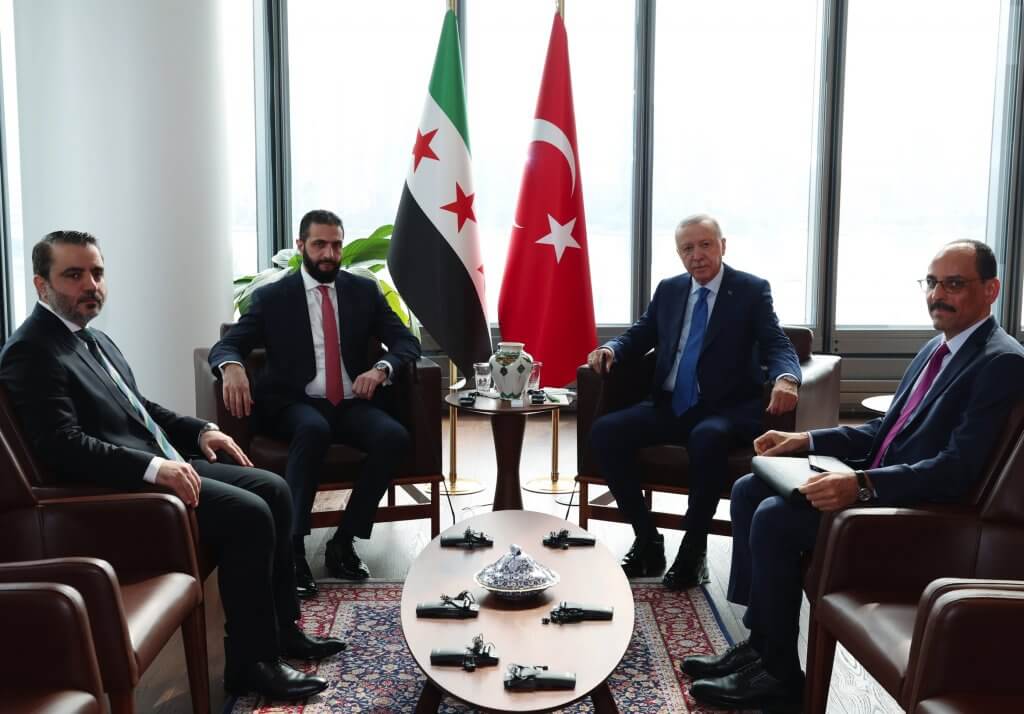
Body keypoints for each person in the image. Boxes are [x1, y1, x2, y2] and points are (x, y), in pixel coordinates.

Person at [0, 231, 346, 701]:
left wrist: (200, 431)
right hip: (116, 494)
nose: (91, 285)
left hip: (158, 465)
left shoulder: (91, 338)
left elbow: (138, 409)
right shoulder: (32, 350)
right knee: (249, 514)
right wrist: (153, 469)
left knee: (274, 489)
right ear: (42, 285)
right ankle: (252, 664)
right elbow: (63, 447)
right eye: (74, 275)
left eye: (97, 273)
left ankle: (283, 630)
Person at [685, 239, 1024, 712]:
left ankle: (780, 677)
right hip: (882, 485)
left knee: (776, 518)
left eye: (953, 284)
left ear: (991, 290)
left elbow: (957, 471)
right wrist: (806, 440)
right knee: (749, 488)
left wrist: (862, 486)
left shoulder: (1001, 362)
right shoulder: (938, 347)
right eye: (931, 282)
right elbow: (886, 431)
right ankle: (762, 644)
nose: (936, 295)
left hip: (918, 514)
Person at [209, 209, 420, 598]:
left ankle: (344, 540)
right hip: (295, 402)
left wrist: (381, 369)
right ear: (300, 246)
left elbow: (406, 342)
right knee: (313, 428)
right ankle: (292, 550)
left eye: (336, 245)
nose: (329, 254)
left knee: (393, 437)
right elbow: (228, 344)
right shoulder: (273, 297)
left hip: (352, 402)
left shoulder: (363, 292)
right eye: (320, 244)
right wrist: (232, 366)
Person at [586, 214, 801, 589]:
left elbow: (776, 343)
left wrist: (786, 378)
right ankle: (647, 540)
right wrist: (612, 348)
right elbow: (641, 333)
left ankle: (694, 548)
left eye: (705, 245)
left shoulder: (750, 290)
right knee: (605, 431)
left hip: (725, 408)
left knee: (707, 438)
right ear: (679, 253)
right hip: (669, 403)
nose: (697, 255)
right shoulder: (670, 289)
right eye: (688, 248)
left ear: (722, 246)